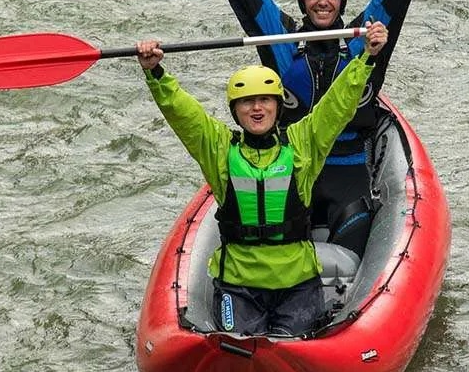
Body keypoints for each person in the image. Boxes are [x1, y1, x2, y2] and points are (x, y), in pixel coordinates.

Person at [196, 0, 427, 256]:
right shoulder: (281, 40)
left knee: (350, 241)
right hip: (291, 172)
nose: (323, 3)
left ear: (342, 0)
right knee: (274, 245)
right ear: (303, 1)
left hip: (349, 171)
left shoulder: (366, 38)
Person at [135, 21, 388, 336]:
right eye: (246, 102)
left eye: (265, 100)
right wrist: (156, 73)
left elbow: (337, 105)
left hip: (297, 285)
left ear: (278, 107)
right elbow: (183, 113)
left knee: (291, 345)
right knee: (238, 350)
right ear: (235, 110)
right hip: (239, 287)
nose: (257, 108)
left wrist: (367, 57)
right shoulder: (219, 149)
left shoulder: (302, 142)